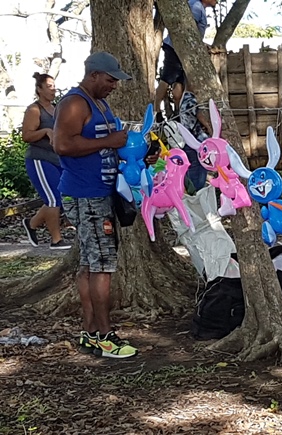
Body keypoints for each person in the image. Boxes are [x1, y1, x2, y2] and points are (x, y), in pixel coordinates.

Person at [53, 51, 138, 358]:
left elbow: (110, 141)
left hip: (101, 191)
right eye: (110, 79)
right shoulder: (75, 102)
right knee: (102, 265)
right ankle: (105, 336)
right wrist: (109, 142)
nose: (114, 85)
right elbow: (61, 144)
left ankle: (89, 333)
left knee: (91, 263)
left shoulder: (100, 103)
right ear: (93, 76)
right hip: (85, 193)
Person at [20, 73, 72, 250]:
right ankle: (56, 240)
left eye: (54, 86)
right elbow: (26, 136)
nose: (53, 89)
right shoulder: (34, 110)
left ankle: (32, 224)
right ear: (39, 89)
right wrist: (45, 131)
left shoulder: (56, 108)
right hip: (39, 159)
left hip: (57, 159)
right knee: (52, 199)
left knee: (59, 197)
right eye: (49, 86)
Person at [154, 0, 217, 117]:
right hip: (175, 49)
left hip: (180, 50)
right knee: (167, 78)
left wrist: (201, 44)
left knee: (179, 82)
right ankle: (156, 110)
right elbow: (187, 29)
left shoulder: (197, 6)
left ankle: (178, 112)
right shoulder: (197, 7)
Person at [176, 80, 212, 190]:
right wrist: (210, 129)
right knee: (197, 172)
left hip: (189, 141)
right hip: (195, 142)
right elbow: (199, 114)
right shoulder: (190, 99)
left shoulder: (184, 99)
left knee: (194, 170)